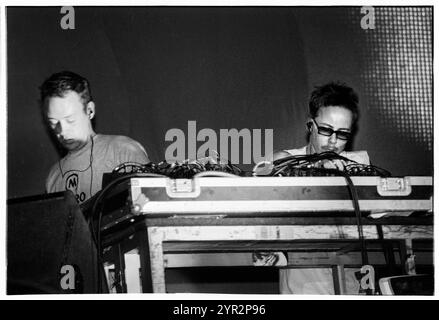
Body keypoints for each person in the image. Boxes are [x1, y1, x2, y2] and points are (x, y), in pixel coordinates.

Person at [274, 81, 370, 294]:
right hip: (303, 287)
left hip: (351, 285)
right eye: (326, 130)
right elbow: (268, 168)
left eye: (343, 133)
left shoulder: (357, 165)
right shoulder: (288, 159)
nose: (333, 141)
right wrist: (316, 168)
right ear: (310, 126)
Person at [40, 71, 150, 204]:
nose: (62, 130)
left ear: (90, 110)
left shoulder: (123, 151)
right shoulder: (54, 176)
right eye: (53, 122)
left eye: (70, 120)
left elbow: (151, 208)